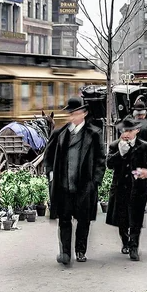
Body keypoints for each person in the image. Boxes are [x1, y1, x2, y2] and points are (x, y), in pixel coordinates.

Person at [44, 96, 105, 265]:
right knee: (64, 220)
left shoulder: (94, 134)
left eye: (75, 113)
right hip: (63, 186)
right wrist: (50, 176)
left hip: (84, 186)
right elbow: (48, 157)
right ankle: (65, 253)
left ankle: (80, 250)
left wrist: (95, 182)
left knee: (83, 220)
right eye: (70, 114)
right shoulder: (59, 133)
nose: (72, 117)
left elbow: (101, 160)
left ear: (84, 113)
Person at [105, 116, 147, 261]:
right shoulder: (115, 145)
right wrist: (120, 153)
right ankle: (125, 241)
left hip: (138, 188)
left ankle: (134, 246)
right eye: (124, 130)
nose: (126, 134)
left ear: (137, 130)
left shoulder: (145, 146)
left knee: (136, 218)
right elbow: (109, 164)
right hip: (120, 187)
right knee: (121, 218)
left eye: (130, 130)